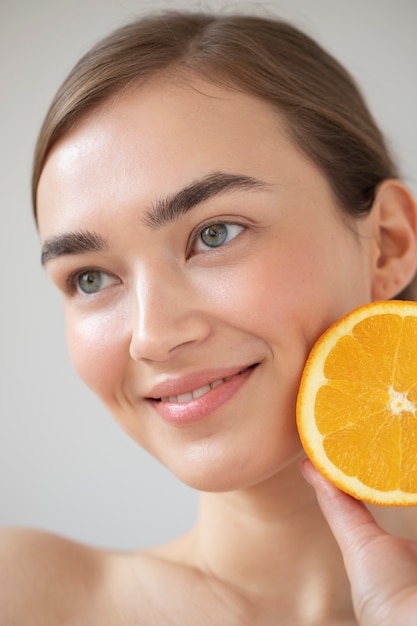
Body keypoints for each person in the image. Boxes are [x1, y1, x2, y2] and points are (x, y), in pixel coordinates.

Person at [2, 11, 417, 625]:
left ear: (385, 243)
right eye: (90, 278)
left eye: (216, 234)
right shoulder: (26, 596)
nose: (154, 336)